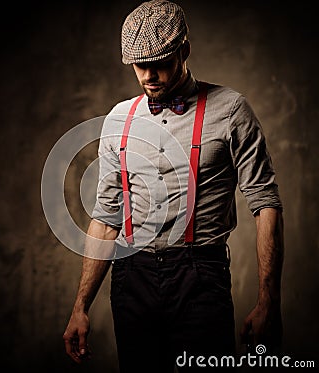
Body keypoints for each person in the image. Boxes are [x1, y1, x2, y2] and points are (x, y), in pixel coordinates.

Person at [63, 1, 284, 372]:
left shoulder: (231, 110)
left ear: (184, 50)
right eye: (140, 65)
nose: (149, 75)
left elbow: (266, 203)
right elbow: (106, 217)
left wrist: (268, 302)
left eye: (161, 63)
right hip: (131, 278)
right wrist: (80, 306)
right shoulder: (119, 119)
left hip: (200, 276)